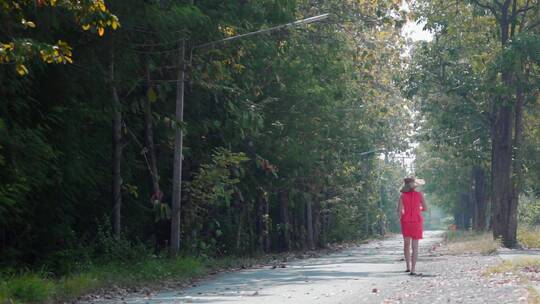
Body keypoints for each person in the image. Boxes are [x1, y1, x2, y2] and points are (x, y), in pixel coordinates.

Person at [397, 176, 427, 276]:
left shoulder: (402, 196)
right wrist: (418, 209)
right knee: (415, 246)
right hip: (417, 221)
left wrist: (401, 216)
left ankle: (407, 266)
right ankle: (413, 269)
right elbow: (425, 208)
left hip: (405, 221)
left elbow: (399, 211)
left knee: (406, 244)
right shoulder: (419, 195)